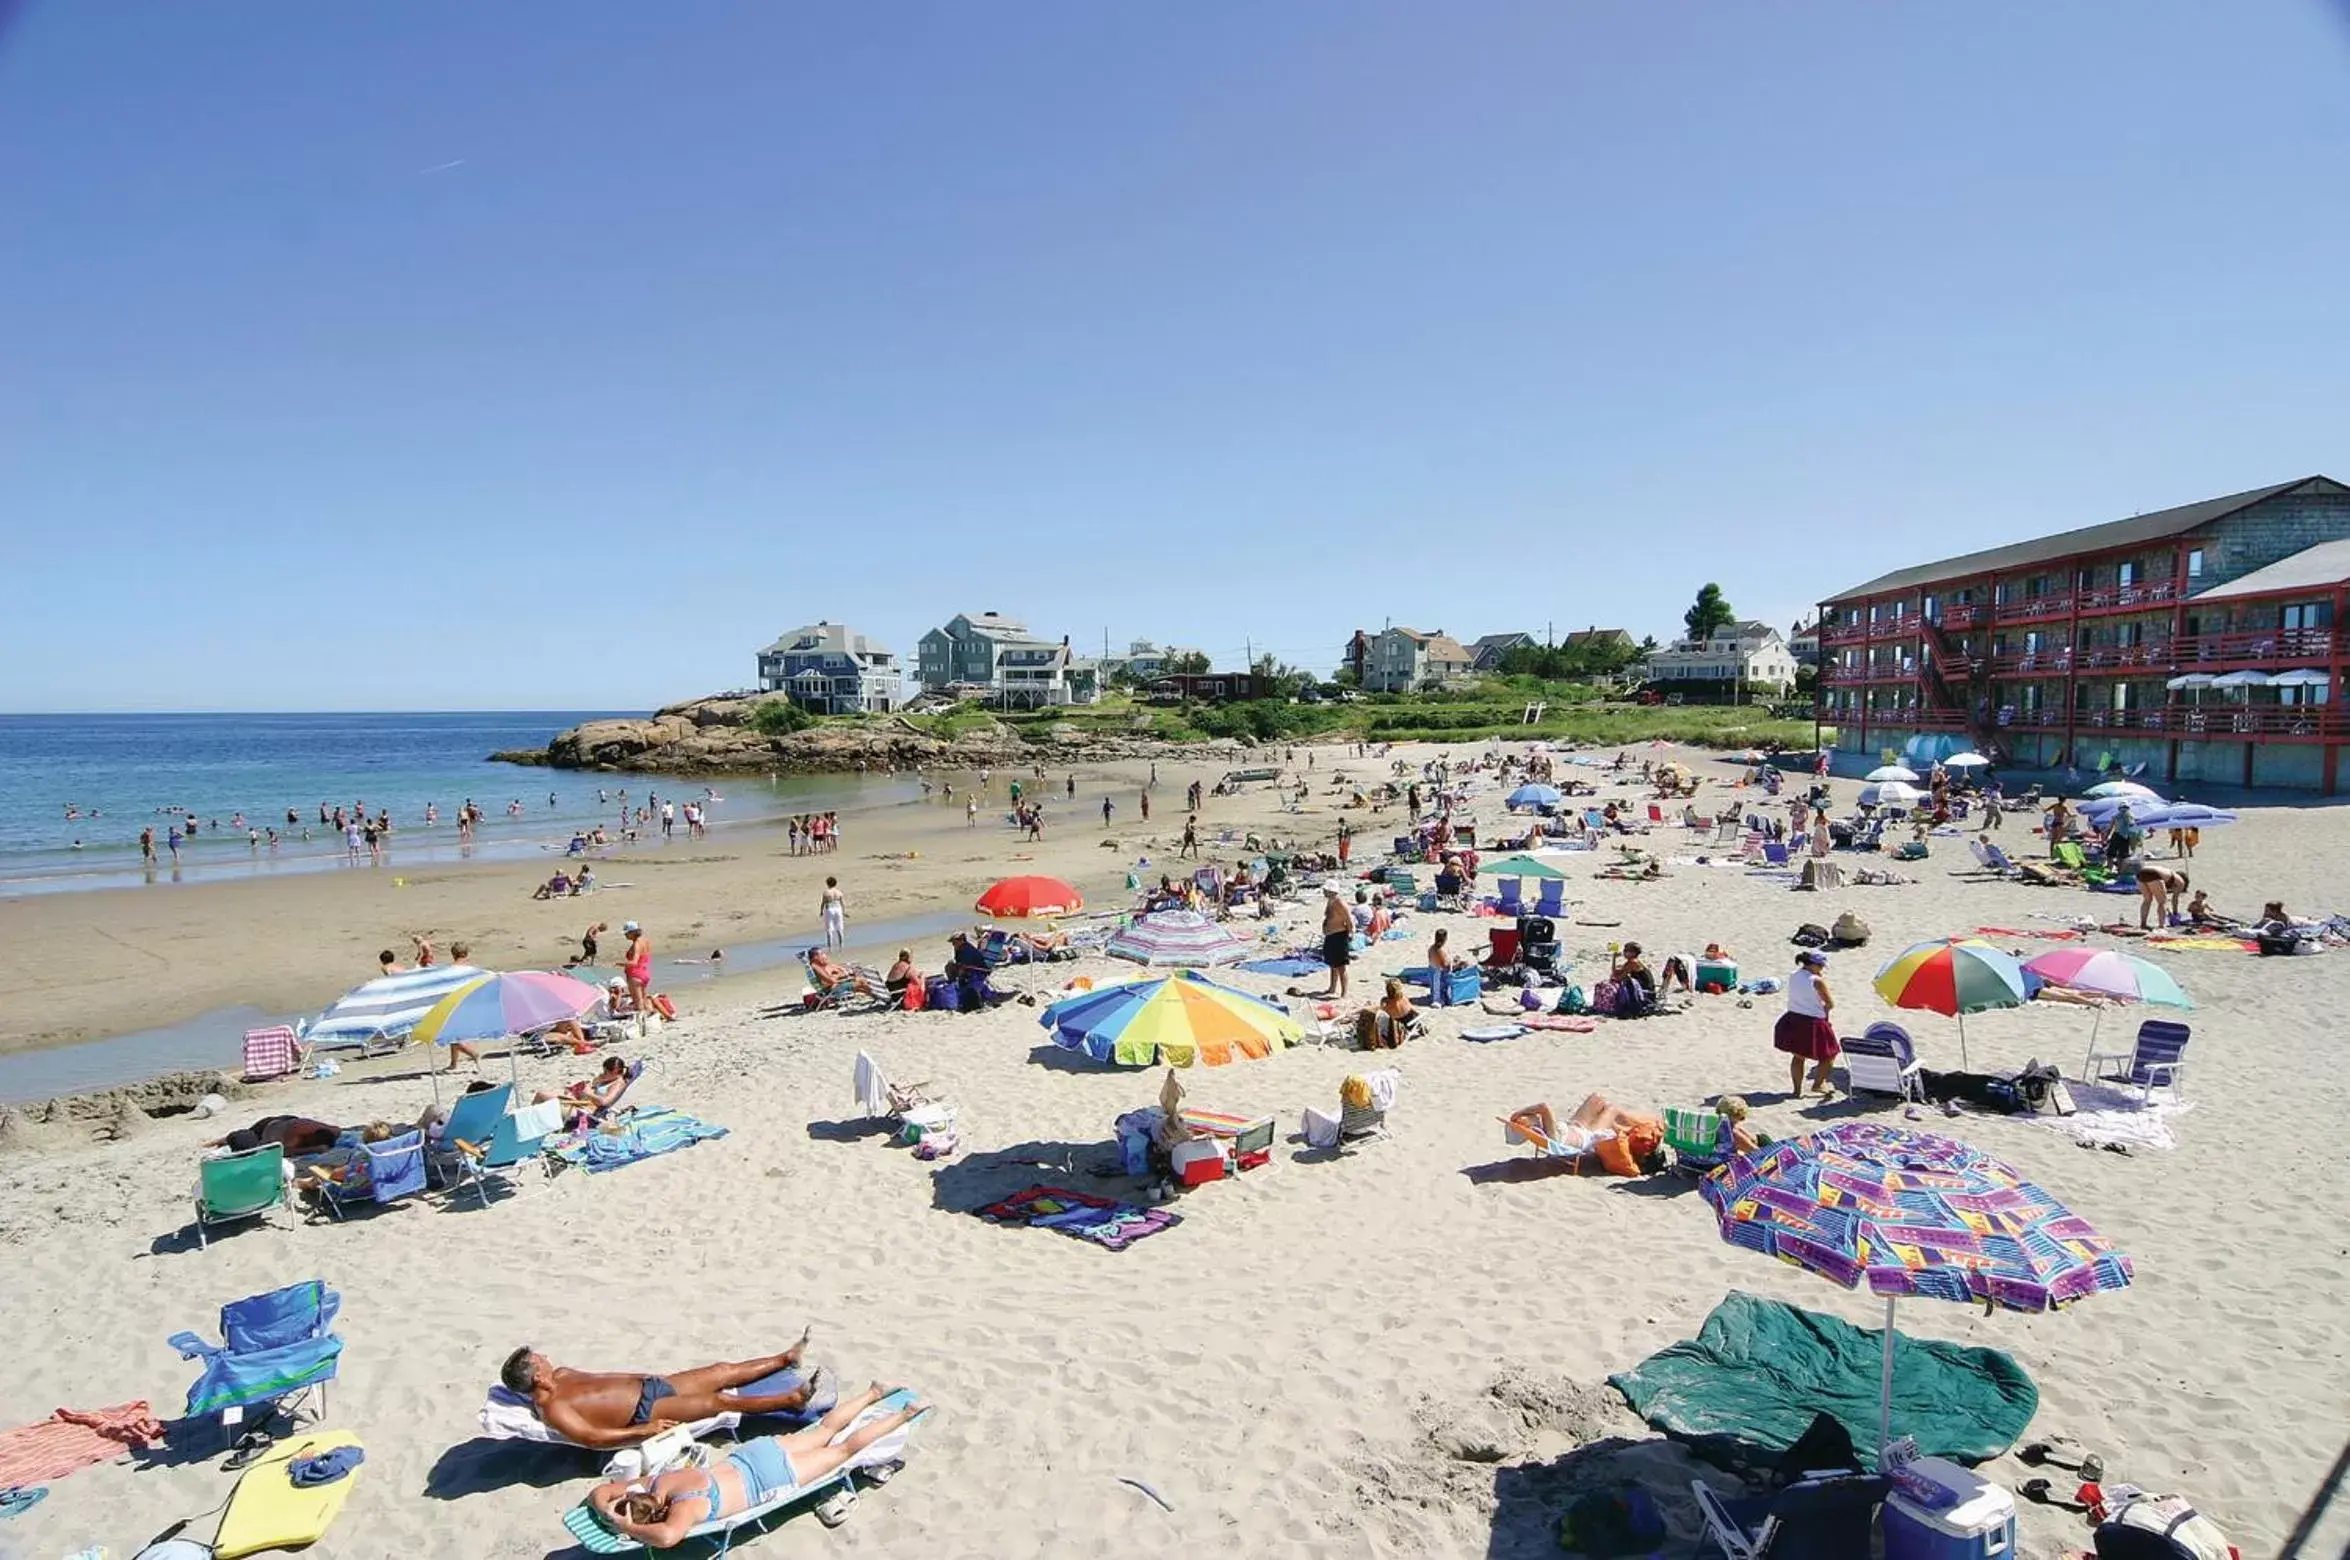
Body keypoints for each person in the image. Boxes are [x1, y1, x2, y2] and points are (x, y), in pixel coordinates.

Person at [585, 1382, 926, 1547]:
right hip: (755, 1454)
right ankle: (871, 1393)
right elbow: (600, 1491)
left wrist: (625, 1526)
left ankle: (903, 1416)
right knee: (826, 1430)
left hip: (770, 1478)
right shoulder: (657, 1484)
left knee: (844, 1450)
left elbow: (666, 1537)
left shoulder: (682, 1512)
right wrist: (615, 1508)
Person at [501, 1333, 828, 1451]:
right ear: (538, 1379)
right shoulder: (554, 1408)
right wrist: (645, 1429)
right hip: (642, 1414)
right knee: (719, 1401)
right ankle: (793, 1401)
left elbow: (607, 1379)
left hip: (650, 1385)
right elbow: (592, 1438)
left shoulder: (561, 1374)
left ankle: (785, 1358)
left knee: (720, 1371)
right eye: (538, 1361)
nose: (545, 1358)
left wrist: (648, 1379)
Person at [1774, 949, 1840, 1098]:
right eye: (1821, 966)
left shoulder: (1793, 975)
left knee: (1798, 1056)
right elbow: (1830, 1003)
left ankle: (1796, 1091)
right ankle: (1818, 1084)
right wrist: (1825, 1014)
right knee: (1829, 1055)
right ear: (1813, 965)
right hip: (1813, 1021)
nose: (1822, 969)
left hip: (1793, 1018)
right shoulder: (1816, 981)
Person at [208, 1114, 341, 1156]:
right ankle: (216, 1141)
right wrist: (312, 1149)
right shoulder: (295, 1133)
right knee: (244, 1136)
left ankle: (221, 1141)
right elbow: (283, 1152)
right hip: (266, 1127)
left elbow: (337, 1130)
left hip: (285, 1121)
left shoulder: (325, 1130)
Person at [1311, 884, 1354, 1000]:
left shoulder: (1340, 903)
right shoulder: (1330, 901)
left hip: (1339, 935)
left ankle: (1344, 993)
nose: (1323, 891)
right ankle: (1332, 987)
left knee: (1341, 966)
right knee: (1332, 964)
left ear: (1331, 891)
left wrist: (1351, 934)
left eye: (1325, 890)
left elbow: (1349, 920)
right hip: (1331, 935)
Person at [622, 922, 655, 1035]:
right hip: (645, 972)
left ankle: (642, 1029)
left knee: (638, 1004)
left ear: (632, 933)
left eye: (627, 933)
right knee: (645, 999)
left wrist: (620, 964)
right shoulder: (645, 941)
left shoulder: (637, 943)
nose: (625, 936)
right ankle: (652, 1025)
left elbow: (634, 962)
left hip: (635, 974)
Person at [807, 947, 875, 998]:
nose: (825, 955)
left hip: (836, 986)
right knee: (862, 982)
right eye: (822, 954)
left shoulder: (821, 965)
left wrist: (843, 973)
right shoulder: (815, 966)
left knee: (859, 981)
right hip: (833, 990)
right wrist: (842, 975)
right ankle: (879, 995)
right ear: (815, 957)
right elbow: (831, 980)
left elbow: (834, 971)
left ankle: (875, 995)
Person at [2137, 864, 2189, 930]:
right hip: (2154, 874)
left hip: (2141, 873)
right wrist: (2175, 913)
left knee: (2147, 900)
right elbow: (2175, 899)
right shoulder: (2181, 881)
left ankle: (2143, 924)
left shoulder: (2168, 872)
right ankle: (2161, 926)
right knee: (2162, 902)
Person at [819, 877, 847, 949]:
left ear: (828, 884)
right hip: (838, 909)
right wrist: (844, 911)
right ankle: (841, 944)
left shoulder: (826, 892)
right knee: (839, 927)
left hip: (830, 909)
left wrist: (821, 911)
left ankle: (830, 945)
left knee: (829, 928)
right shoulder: (839, 892)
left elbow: (823, 902)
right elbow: (842, 903)